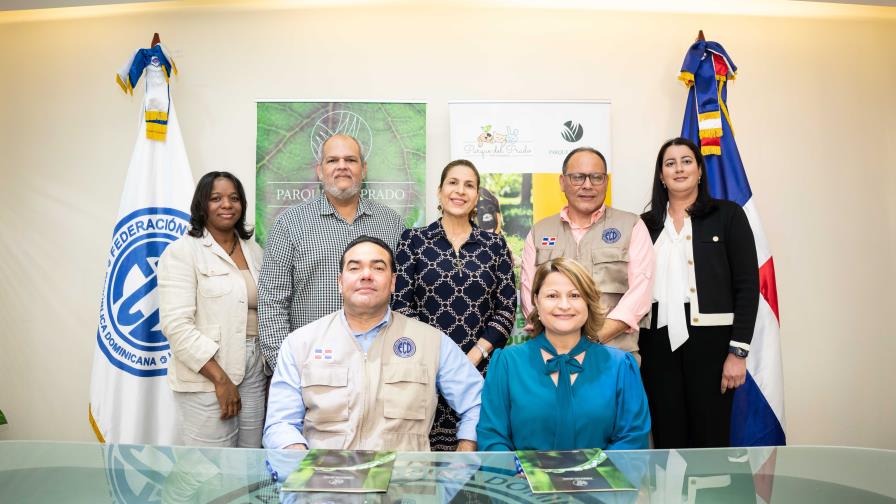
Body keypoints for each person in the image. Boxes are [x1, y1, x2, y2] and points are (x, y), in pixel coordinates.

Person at [262, 236, 483, 452]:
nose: (366, 275)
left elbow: (478, 404)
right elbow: (280, 424)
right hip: (329, 480)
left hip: (406, 482)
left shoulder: (432, 342)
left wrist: (464, 453)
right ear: (340, 282)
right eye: (354, 268)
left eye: (378, 268)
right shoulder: (300, 343)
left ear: (393, 282)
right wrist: (301, 462)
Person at [639, 137, 759, 448]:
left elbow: (747, 286)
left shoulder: (728, 215)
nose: (679, 169)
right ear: (661, 176)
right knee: (666, 435)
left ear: (700, 170)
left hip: (713, 344)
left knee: (710, 435)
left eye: (686, 161)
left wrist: (738, 352)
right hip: (655, 343)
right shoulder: (645, 225)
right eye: (670, 163)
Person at [393, 159, 516, 451]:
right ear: (439, 191)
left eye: (469, 185)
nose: (460, 191)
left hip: (481, 372)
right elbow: (401, 304)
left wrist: (472, 357)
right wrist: (440, 359)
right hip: (424, 370)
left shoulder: (495, 246)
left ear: (476, 196)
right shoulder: (414, 241)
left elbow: (507, 308)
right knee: (424, 477)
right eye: (453, 182)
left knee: (477, 470)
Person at [257, 134, 405, 370]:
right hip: (311, 364)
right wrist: (286, 368)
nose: (342, 167)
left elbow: (403, 295)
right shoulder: (289, 224)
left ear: (363, 169)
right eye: (332, 160)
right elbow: (272, 301)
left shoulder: (391, 224)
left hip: (380, 365)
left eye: (350, 160)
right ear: (320, 170)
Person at [477, 257, 650, 451]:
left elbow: (632, 439)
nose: (564, 305)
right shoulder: (507, 363)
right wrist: (518, 477)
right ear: (536, 301)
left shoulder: (620, 365)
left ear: (589, 301)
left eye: (575, 295)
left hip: (600, 480)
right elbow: (492, 436)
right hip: (524, 481)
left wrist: (598, 478)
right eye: (552, 296)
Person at [158, 171, 266, 447]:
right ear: (201, 206)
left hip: (254, 369)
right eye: (216, 198)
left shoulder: (254, 251)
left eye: (233, 198)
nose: (226, 204)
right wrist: (221, 380)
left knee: (248, 461)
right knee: (207, 469)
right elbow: (176, 326)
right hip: (208, 373)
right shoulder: (182, 252)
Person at [520, 147, 654, 362]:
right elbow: (529, 295)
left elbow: (640, 293)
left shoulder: (632, 226)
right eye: (578, 177)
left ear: (606, 182)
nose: (587, 185)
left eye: (596, 177)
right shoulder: (539, 232)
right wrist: (562, 344)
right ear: (562, 182)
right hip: (552, 357)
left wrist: (592, 339)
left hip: (614, 356)